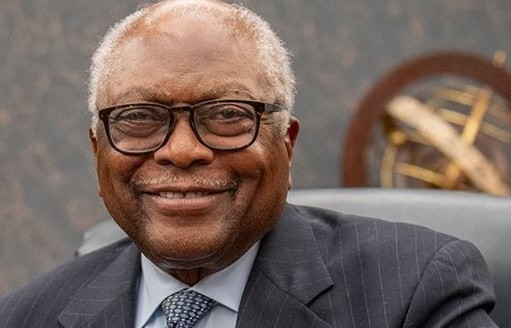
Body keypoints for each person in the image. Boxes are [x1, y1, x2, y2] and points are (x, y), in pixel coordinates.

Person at [0, 1, 498, 327]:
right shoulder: (29, 316)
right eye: (139, 118)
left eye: (226, 115)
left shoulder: (417, 292)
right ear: (97, 153)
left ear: (286, 144)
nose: (181, 150)